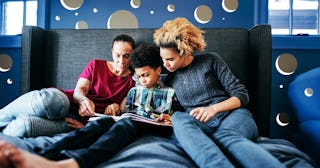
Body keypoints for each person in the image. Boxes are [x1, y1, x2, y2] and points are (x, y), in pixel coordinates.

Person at [0, 43, 181, 168]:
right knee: (99, 125)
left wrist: (170, 118)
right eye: (139, 76)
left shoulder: (170, 92)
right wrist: (115, 109)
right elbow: (125, 107)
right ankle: (45, 153)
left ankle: (74, 163)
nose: (141, 80)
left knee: (123, 126)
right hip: (120, 118)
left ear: (158, 70)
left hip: (149, 125)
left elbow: (177, 114)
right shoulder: (134, 87)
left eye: (146, 75)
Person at [153, 17, 285, 168]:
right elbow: (179, 110)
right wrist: (169, 117)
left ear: (184, 51)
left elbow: (242, 95)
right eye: (162, 59)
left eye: (170, 59)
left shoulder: (211, 60)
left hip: (234, 115)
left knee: (225, 137)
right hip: (202, 124)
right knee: (178, 118)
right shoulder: (171, 77)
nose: (165, 64)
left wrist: (213, 109)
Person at [0, 34, 136, 137]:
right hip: (68, 102)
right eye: (117, 55)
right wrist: (83, 100)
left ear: (132, 55)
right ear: (112, 52)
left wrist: (115, 108)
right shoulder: (96, 65)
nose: (121, 61)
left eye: (126, 56)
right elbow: (80, 90)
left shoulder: (133, 81)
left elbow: (122, 112)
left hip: (78, 121)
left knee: (25, 126)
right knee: (52, 101)